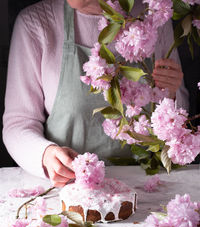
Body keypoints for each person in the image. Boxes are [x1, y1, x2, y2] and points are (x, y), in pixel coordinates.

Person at [3, 0, 189, 187]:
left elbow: (178, 122)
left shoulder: (154, 17)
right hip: (68, 189)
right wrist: (45, 154)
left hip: (143, 186)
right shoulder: (36, 24)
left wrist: (171, 93)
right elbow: (18, 123)